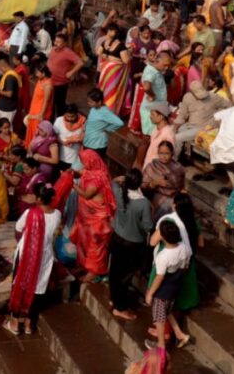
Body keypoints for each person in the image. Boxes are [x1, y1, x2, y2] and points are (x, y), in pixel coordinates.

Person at [5, 184, 60, 334]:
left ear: (39, 199)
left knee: (20, 284)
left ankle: (15, 323)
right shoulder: (57, 214)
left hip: (26, 255)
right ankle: (29, 324)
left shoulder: (30, 213)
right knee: (38, 287)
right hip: (45, 257)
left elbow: (18, 228)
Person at [109, 169, 152, 321]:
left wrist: (118, 179)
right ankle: (120, 307)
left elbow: (112, 182)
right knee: (125, 276)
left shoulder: (120, 192)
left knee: (115, 271)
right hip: (132, 244)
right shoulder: (143, 203)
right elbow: (147, 226)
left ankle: (114, 299)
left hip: (117, 238)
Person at [144, 220, 192, 350]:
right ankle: (180, 334)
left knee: (159, 318)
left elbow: (159, 277)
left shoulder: (163, 256)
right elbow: (185, 266)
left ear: (163, 237)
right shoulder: (184, 247)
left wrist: (150, 294)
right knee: (167, 311)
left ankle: (161, 345)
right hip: (175, 284)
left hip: (163, 290)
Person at [70, 150, 116, 282]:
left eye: (84, 161)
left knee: (95, 246)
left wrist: (72, 184)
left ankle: (94, 272)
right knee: (84, 242)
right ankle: (84, 265)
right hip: (86, 217)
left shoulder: (98, 178)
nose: (83, 164)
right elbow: (81, 173)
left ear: (91, 161)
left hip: (97, 219)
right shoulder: (90, 171)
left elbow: (86, 195)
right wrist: (71, 173)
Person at [173, 80, 230, 159]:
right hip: (190, 125)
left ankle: (174, 160)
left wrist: (218, 117)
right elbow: (182, 115)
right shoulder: (187, 97)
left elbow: (229, 105)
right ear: (192, 92)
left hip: (203, 128)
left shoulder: (213, 97)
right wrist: (175, 128)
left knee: (177, 138)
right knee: (171, 132)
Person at [142, 141, 185, 220]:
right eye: (161, 153)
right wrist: (154, 183)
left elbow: (181, 186)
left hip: (174, 199)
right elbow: (142, 186)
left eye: (167, 153)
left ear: (172, 153)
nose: (164, 156)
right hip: (157, 199)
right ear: (158, 153)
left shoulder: (178, 168)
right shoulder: (152, 167)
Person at [96, 24, 132, 116]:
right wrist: (130, 53)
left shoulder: (105, 42)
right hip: (114, 73)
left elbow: (98, 52)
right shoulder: (120, 46)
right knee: (112, 92)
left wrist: (107, 58)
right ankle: (109, 113)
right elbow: (126, 60)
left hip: (106, 70)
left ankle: (102, 111)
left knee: (104, 90)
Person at [47, 33, 84, 118]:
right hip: (50, 82)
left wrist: (71, 72)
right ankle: (50, 121)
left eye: (59, 42)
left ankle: (61, 120)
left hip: (60, 83)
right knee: (50, 104)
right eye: (55, 41)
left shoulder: (68, 52)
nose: (56, 43)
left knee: (60, 104)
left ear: (64, 43)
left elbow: (80, 63)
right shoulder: (53, 49)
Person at [84, 88, 124, 157]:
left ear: (99, 102)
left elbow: (120, 123)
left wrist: (108, 129)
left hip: (97, 145)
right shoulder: (93, 108)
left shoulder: (105, 112)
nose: (89, 103)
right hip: (89, 140)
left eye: (91, 102)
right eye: (88, 101)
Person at [24, 63, 54, 146]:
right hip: (34, 108)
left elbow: (46, 101)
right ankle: (29, 147)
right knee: (31, 127)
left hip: (40, 111)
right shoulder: (40, 80)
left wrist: (41, 114)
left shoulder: (48, 85)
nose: (36, 74)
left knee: (37, 131)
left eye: (37, 72)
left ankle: (35, 148)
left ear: (43, 73)